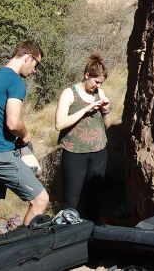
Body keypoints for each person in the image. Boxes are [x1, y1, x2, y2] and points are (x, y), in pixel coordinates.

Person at [0, 40, 49, 241]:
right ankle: (22, 252)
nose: (34, 70)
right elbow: (13, 123)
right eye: (36, 64)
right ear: (28, 57)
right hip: (0, 155)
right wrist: (25, 135)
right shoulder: (15, 82)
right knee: (40, 199)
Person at [54, 54, 112, 223]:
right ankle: (68, 237)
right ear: (87, 75)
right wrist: (86, 109)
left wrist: (106, 110)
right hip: (74, 152)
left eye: (101, 83)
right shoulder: (69, 93)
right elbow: (59, 124)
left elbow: (106, 125)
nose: (98, 86)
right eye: (96, 81)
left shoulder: (100, 92)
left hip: (99, 151)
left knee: (94, 199)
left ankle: (91, 234)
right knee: (72, 201)